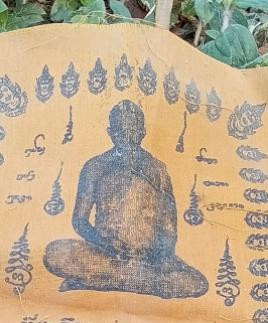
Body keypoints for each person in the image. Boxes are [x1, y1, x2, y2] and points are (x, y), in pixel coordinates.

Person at [43, 100, 208, 299]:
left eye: (133, 131)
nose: (128, 137)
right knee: (55, 253)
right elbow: (80, 221)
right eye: (121, 132)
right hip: (107, 253)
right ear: (111, 132)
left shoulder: (158, 170)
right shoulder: (95, 167)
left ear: (143, 132)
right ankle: (137, 281)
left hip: (148, 260)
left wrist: (158, 255)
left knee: (197, 283)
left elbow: (169, 228)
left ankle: (104, 279)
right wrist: (106, 243)